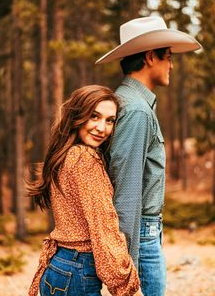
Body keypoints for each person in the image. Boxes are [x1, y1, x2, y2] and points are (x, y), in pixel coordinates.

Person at [96, 16, 202, 296]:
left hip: (143, 233)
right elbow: (127, 190)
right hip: (140, 237)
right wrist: (125, 266)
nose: (172, 65)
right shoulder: (137, 110)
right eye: (167, 57)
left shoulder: (134, 104)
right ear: (149, 57)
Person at [27, 85, 144, 296]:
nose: (102, 128)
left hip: (57, 267)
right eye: (94, 116)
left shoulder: (66, 153)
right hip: (76, 271)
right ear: (77, 116)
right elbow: (103, 225)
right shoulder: (84, 158)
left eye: (110, 120)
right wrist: (127, 288)